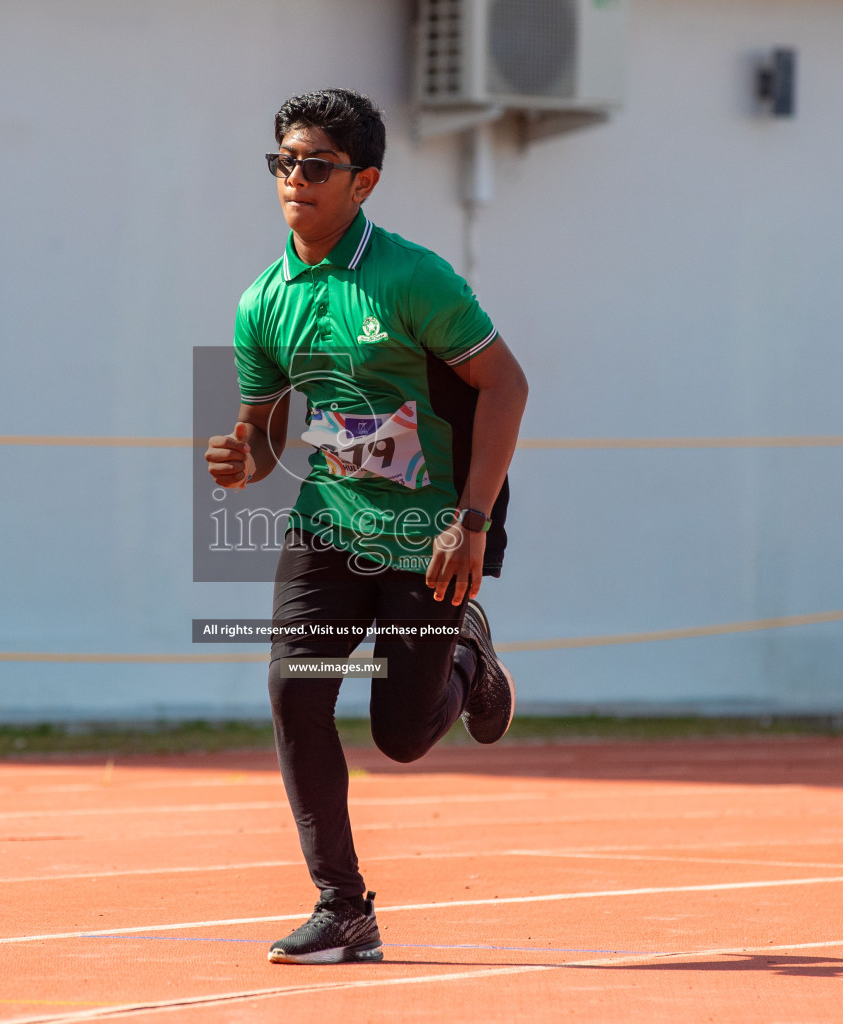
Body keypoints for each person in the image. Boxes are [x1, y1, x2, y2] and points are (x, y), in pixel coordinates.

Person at [204, 88, 528, 965]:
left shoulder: (412, 277)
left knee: (401, 734)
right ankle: (342, 908)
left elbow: (507, 386)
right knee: (294, 688)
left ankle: (467, 653)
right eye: (284, 163)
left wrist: (471, 520)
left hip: (431, 532)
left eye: (316, 166)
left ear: (364, 181)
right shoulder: (261, 301)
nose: (295, 180)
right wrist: (245, 455)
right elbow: (266, 427)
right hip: (330, 524)